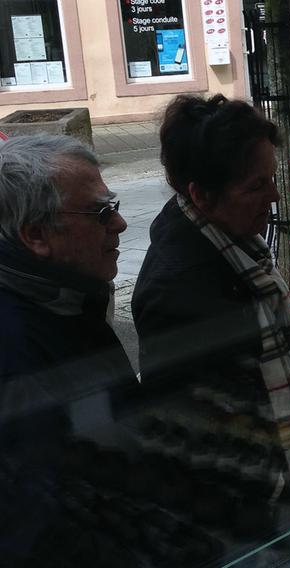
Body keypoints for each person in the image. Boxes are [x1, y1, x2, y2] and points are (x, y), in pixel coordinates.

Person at [132, 94, 290, 565]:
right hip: (251, 526)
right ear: (201, 194)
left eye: (273, 179)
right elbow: (201, 452)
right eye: (257, 186)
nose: (275, 197)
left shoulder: (229, 243)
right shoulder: (180, 292)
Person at [0, 135, 136, 564]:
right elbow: (44, 527)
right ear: (37, 235)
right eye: (102, 212)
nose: (119, 225)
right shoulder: (15, 349)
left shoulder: (69, 299)